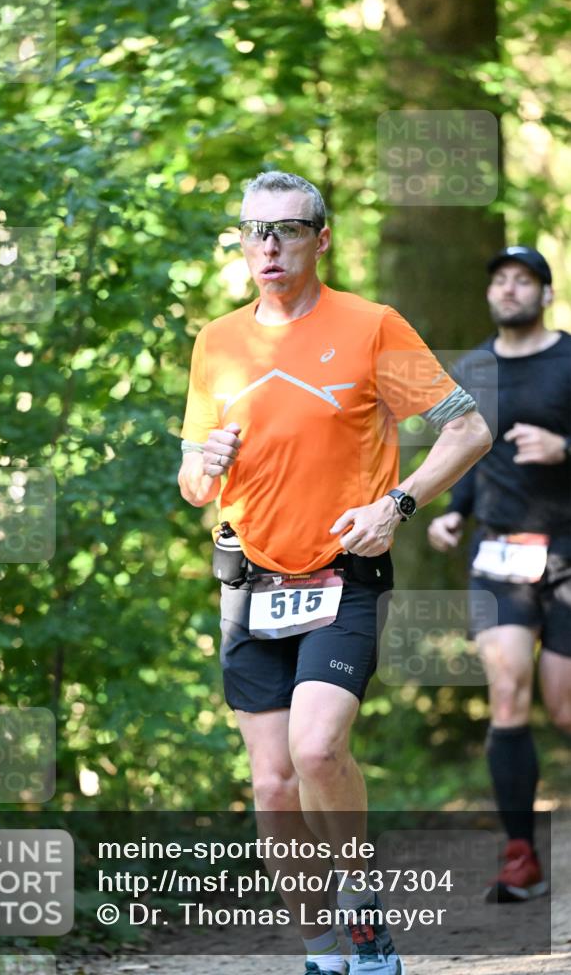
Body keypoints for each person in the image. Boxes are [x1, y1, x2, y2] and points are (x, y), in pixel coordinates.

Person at [178, 171, 492, 975]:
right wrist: (205, 461)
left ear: (320, 239)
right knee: (274, 787)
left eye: (286, 229)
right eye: (253, 230)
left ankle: (360, 914)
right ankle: (321, 953)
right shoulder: (217, 341)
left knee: (316, 750)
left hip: (342, 572)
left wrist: (398, 502)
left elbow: (467, 431)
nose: (268, 246)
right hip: (249, 582)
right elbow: (192, 483)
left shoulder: (370, 326)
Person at [427, 245, 571, 903]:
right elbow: (468, 453)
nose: (509, 290)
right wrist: (452, 512)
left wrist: (564, 447)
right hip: (499, 554)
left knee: (563, 706)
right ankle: (521, 857)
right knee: (507, 692)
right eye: (500, 281)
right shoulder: (472, 369)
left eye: (523, 280)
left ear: (545, 294)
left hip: (568, 549)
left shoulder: (568, 358)